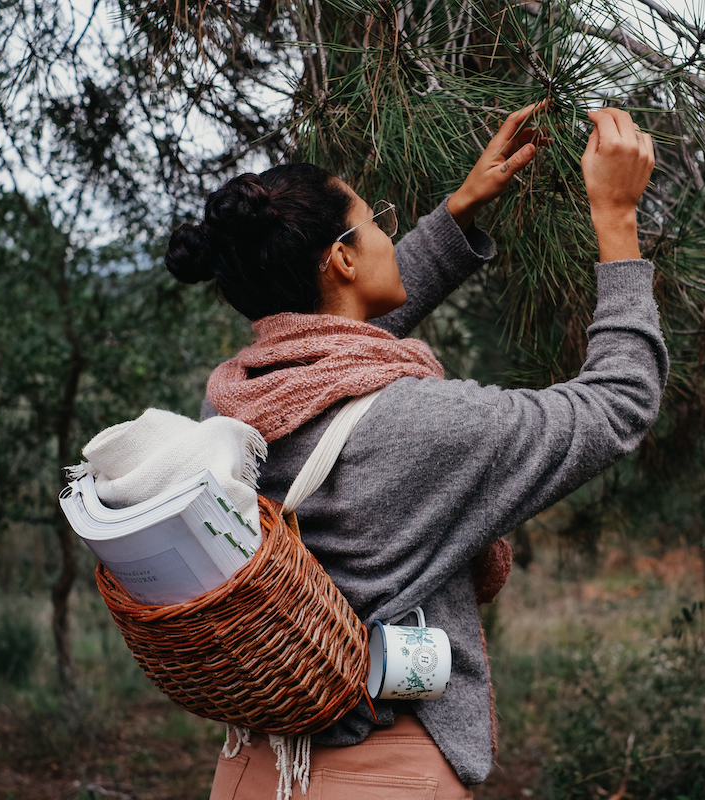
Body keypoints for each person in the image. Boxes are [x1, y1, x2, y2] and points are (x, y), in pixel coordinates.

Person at [165, 103, 668, 799]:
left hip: (251, 768)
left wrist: (459, 212)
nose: (386, 237)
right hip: (387, 773)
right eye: (376, 224)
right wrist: (617, 224)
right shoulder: (425, 424)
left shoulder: (230, 405)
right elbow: (618, 404)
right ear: (342, 257)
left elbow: (330, 348)